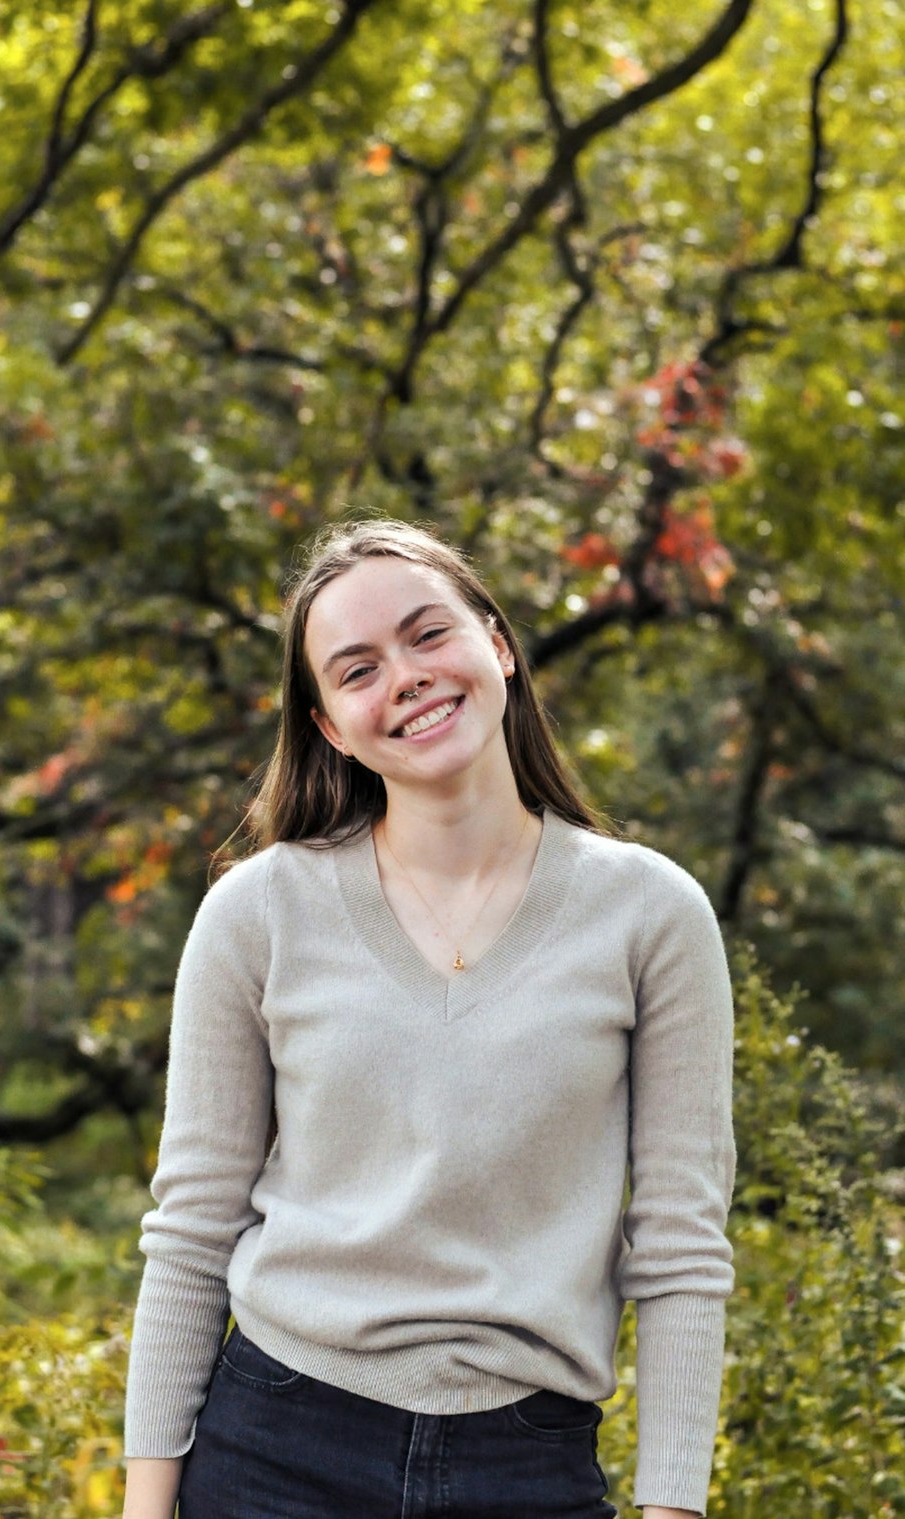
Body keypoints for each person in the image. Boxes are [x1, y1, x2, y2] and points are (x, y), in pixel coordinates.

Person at [121, 518, 735, 1519]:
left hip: (527, 1464)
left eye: (426, 635)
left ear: (496, 644)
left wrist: (672, 1509)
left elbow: (678, 1248)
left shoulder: (650, 915)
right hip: (274, 1450)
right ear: (328, 725)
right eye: (356, 668)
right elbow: (192, 1230)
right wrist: (144, 1511)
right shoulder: (256, 913)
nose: (403, 676)